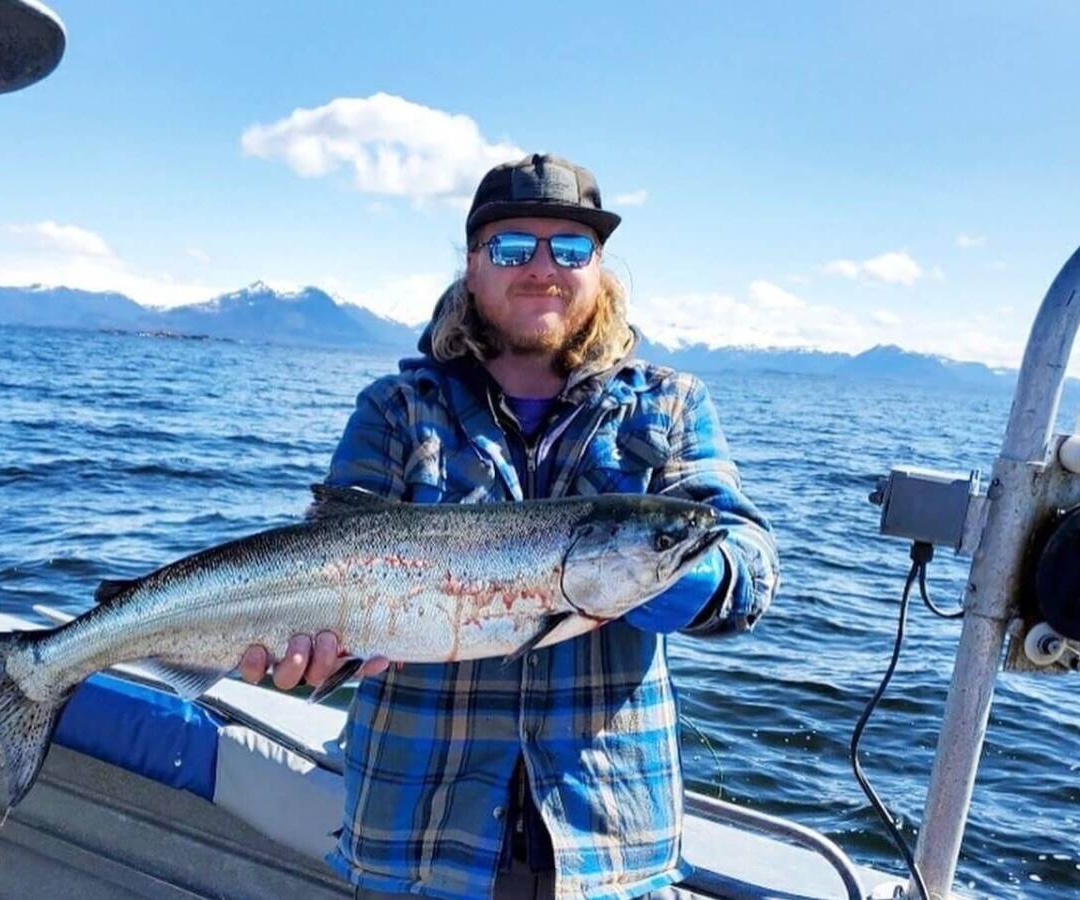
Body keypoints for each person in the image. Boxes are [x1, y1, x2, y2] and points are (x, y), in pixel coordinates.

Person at [239, 153, 780, 899]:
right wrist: (313, 655)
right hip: (416, 837)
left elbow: (748, 555)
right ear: (471, 266)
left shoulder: (671, 403)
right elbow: (331, 556)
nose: (543, 269)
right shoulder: (397, 408)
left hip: (611, 847)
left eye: (572, 248)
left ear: (600, 268)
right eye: (514, 248)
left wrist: (703, 577)